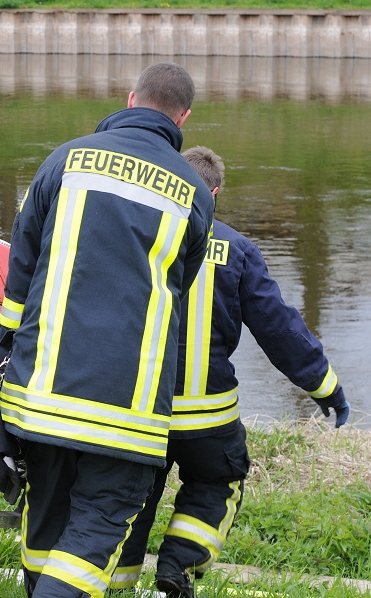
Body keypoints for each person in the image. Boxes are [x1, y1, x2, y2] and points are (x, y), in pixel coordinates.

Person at [0, 62, 216, 598]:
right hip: (126, 408)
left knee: (46, 514)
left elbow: (19, 271)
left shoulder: (64, 160)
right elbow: (179, 288)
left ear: (130, 97)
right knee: (99, 525)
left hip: (42, 391)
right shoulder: (195, 193)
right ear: (184, 117)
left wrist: (6, 354)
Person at [108, 146, 350, 598]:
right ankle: (177, 566)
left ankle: (114, 585)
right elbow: (280, 330)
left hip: (138, 410)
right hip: (209, 419)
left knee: (126, 498)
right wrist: (326, 386)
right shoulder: (237, 250)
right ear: (215, 194)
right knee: (219, 481)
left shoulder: (137, 235)